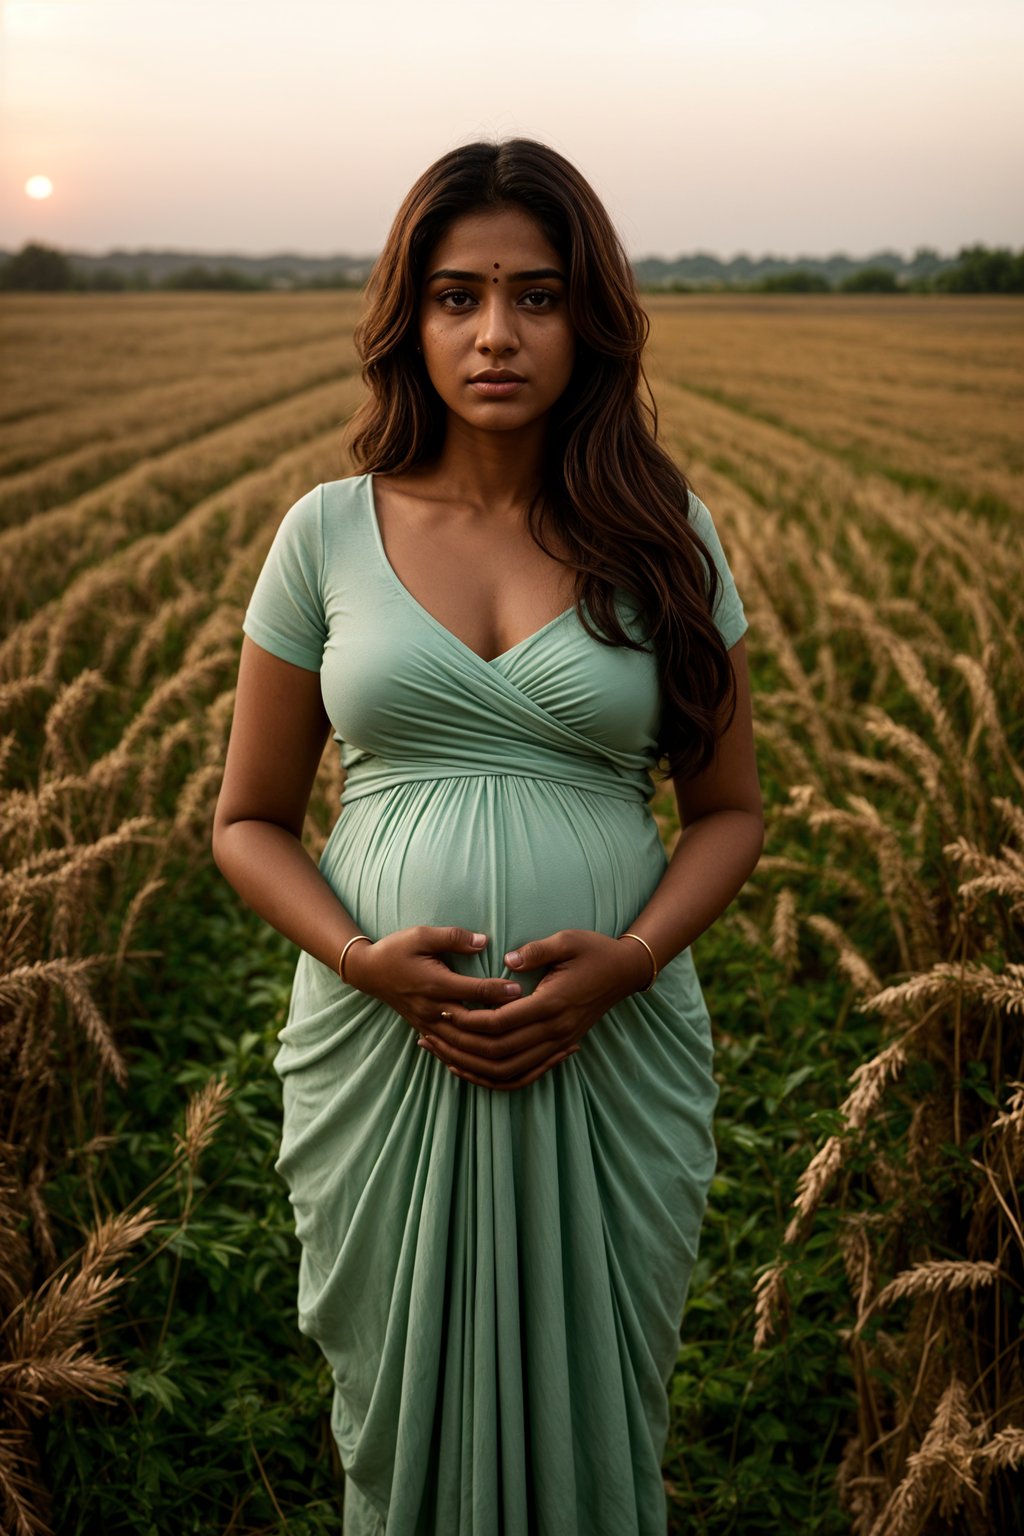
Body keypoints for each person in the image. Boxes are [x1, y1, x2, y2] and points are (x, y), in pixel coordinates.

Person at [212, 137, 763, 1536]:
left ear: (592, 318)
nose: (497, 333)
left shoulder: (666, 537)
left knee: (598, 1408)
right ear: (413, 318)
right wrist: (364, 961)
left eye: (537, 294)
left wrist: (630, 962)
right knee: (401, 1417)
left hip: (613, 1047)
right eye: (459, 297)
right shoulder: (325, 535)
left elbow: (731, 813)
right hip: (383, 1042)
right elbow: (248, 821)